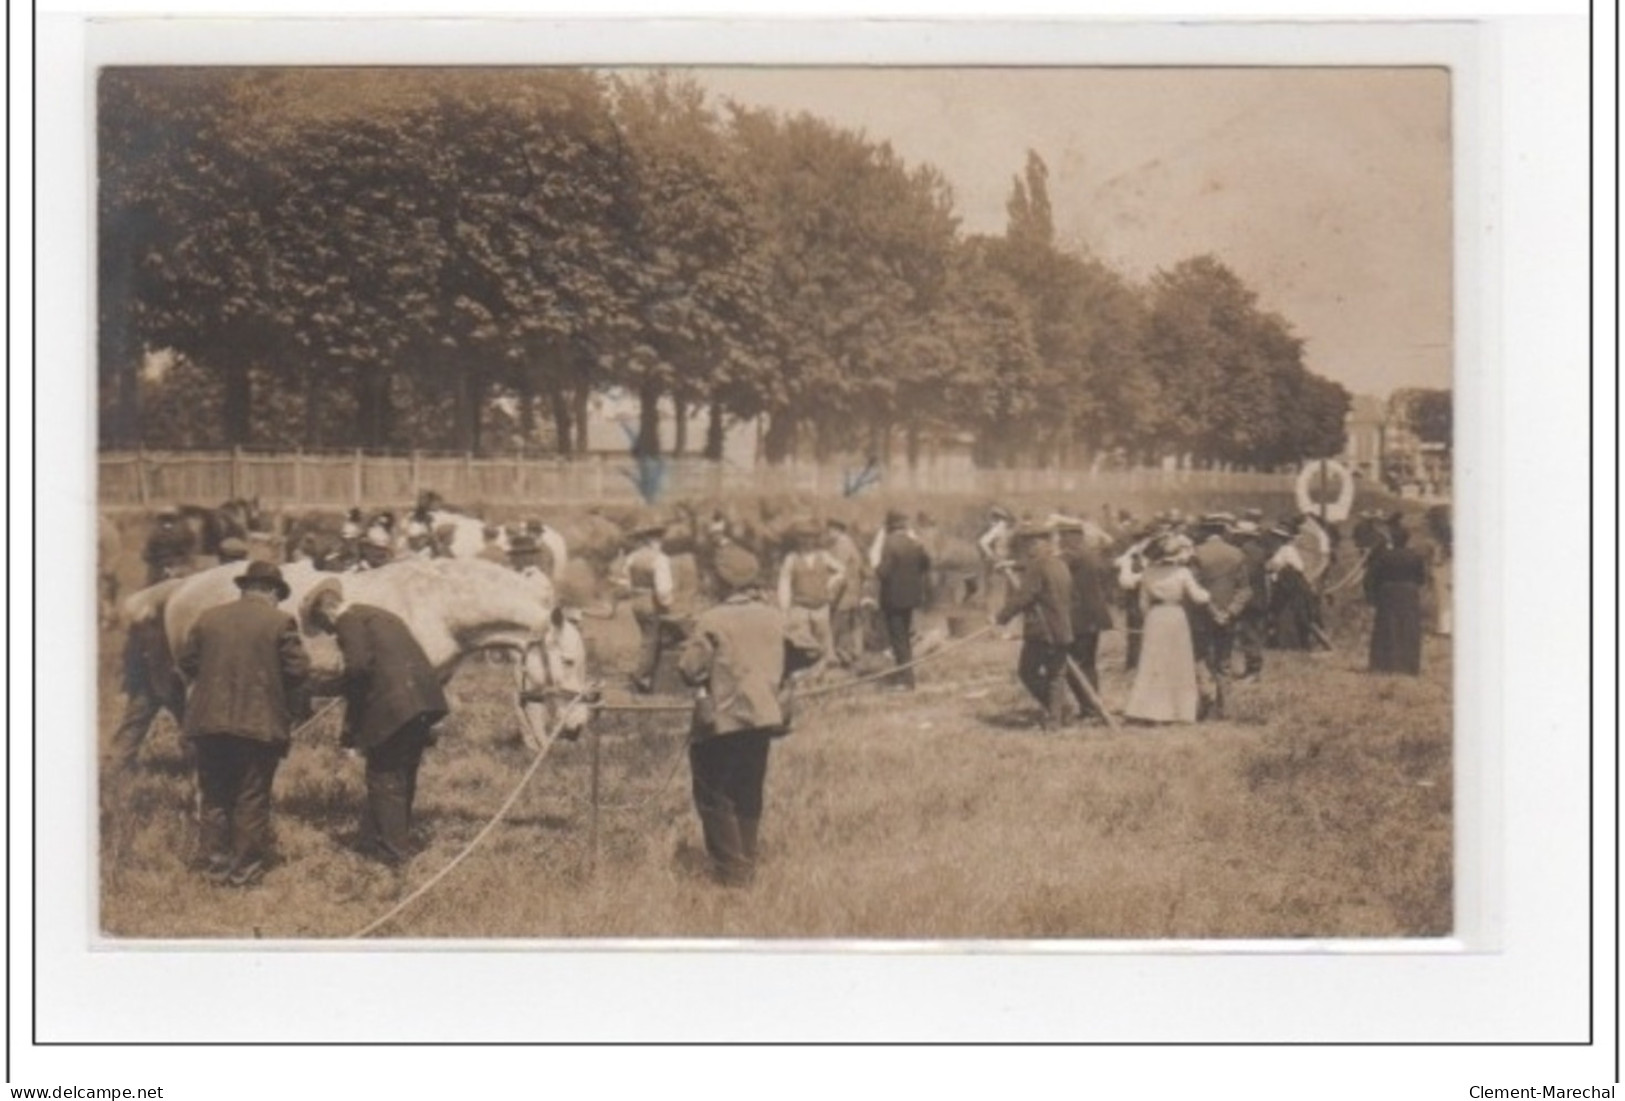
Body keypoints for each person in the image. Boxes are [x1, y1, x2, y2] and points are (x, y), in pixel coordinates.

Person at [176, 561, 310, 887]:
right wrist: (291, 707)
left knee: (215, 796)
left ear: (246, 588)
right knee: (251, 797)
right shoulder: (281, 622)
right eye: (278, 595)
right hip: (258, 727)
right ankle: (244, 873)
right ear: (272, 592)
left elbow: (187, 661)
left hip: (208, 724)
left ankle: (215, 868)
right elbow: (298, 672)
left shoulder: (209, 618)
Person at [303, 578, 451, 864]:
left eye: (325, 627)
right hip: (423, 702)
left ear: (327, 611)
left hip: (394, 707)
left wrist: (334, 688)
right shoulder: (382, 615)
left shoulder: (348, 619)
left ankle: (393, 855)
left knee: (383, 776)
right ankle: (390, 839)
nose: (331, 634)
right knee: (403, 773)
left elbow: (358, 667)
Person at [677, 544, 799, 886]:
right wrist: (782, 673)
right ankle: (747, 864)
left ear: (720, 580)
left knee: (714, 796)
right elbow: (810, 647)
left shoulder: (713, 619)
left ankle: (733, 878)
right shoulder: (774, 615)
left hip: (722, 720)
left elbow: (689, 668)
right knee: (748, 790)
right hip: (762, 717)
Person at [1122, 535, 1211, 725]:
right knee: (1178, 662)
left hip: (1156, 617)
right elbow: (1198, 597)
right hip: (1176, 616)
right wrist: (1208, 594)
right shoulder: (1182, 573)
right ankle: (1179, 711)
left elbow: (1142, 604)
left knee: (1153, 663)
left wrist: (1150, 617)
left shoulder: (1148, 573)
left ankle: (1150, 710)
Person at [995, 522, 1074, 728]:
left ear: (1040, 543)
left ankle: (1057, 710)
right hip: (1063, 628)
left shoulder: (1038, 566)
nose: (1028, 548)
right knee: (1056, 675)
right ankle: (1057, 719)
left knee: (1027, 672)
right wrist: (1013, 565)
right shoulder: (1059, 564)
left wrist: (1002, 617)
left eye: (1030, 544)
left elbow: (1023, 597)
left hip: (1043, 630)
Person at [106, 615, 188, 774]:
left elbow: (130, 657)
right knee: (189, 725)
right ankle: (195, 770)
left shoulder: (143, 622)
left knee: (133, 726)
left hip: (148, 681)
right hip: (164, 681)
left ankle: (115, 767)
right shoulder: (165, 621)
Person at [1189, 514, 1252, 719]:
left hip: (1202, 615)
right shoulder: (1237, 554)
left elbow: (1194, 587)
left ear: (1207, 531)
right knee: (1224, 662)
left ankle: (1205, 705)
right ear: (1223, 530)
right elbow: (1245, 590)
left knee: (1202, 658)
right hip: (1229, 618)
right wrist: (1230, 612)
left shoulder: (1196, 553)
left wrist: (1214, 611)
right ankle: (1226, 710)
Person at [1058, 518, 1115, 723]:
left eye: (1062, 536)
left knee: (1073, 665)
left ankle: (1089, 708)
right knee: (1088, 664)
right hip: (1094, 617)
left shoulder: (1073, 556)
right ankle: (1092, 707)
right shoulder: (1090, 554)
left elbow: (1048, 567)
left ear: (1069, 537)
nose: (1059, 541)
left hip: (1079, 619)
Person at [776, 519, 845, 680]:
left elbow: (841, 571)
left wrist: (831, 585)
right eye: (803, 538)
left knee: (824, 642)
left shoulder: (824, 556)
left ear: (816, 539)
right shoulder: (791, 558)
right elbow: (784, 583)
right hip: (800, 608)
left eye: (811, 538)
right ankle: (805, 679)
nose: (807, 541)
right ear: (798, 540)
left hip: (821, 607)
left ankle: (825, 677)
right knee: (803, 644)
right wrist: (784, 608)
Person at [612, 522, 677, 693]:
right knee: (651, 641)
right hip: (652, 603)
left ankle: (650, 676)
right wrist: (667, 605)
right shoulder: (660, 559)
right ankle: (641, 677)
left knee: (647, 639)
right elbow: (663, 590)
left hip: (636, 602)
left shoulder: (633, 557)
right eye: (659, 538)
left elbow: (624, 582)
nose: (660, 542)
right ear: (654, 540)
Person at [872, 509, 932, 691]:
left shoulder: (890, 544)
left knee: (898, 639)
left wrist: (875, 566)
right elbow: (926, 565)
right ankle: (906, 676)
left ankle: (906, 680)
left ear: (889, 526)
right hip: (911, 597)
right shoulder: (914, 543)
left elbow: (884, 572)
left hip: (893, 599)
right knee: (905, 636)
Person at [1365, 526, 1430, 674]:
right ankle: (1408, 666)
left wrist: (1372, 597)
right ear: (1407, 540)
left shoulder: (1384, 556)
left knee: (1387, 628)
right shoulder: (1416, 556)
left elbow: (1371, 578)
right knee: (1409, 628)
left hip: (1388, 593)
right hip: (1409, 593)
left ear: (1392, 540)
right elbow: (1421, 579)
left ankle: (1385, 665)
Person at [1231, 520, 1271, 681]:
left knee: (1250, 634)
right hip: (1258, 597)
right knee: (1251, 633)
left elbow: (1246, 576)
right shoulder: (1259, 551)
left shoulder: (1246, 553)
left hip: (1250, 599)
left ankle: (1254, 671)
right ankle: (1252, 669)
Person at [1265, 526, 1317, 650]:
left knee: (1286, 615)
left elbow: (1296, 568)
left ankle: (1289, 644)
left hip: (1287, 588)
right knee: (1287, 615)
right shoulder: (1286, 550)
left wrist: (1275, 568)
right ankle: (1289, 643)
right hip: (1287, 586)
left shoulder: (1286, 550)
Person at [824, 518, 866, 666]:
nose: (827, 534)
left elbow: (839, 571)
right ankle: (856, 654)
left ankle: (837, 656)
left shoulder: (842, 544)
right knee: (855, 624)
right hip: (853, 590)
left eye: (829, 530)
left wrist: (830, 594)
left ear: (836, 530)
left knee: (837, 624)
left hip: (844, 592)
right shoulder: (848, 543)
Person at [976, 506, 1016, 610]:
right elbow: (983, 542)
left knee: (1006, 585)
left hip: (1005, 559)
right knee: (1001, 586)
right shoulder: (999, 528)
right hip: (1001, 560)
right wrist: (993, 556)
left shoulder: (1002, 528)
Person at [142, 509, 195, 585]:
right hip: (166, 566)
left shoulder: (156, 531)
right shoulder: (183, 529)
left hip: (172, 565)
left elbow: (147, 553)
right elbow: (147, 553)